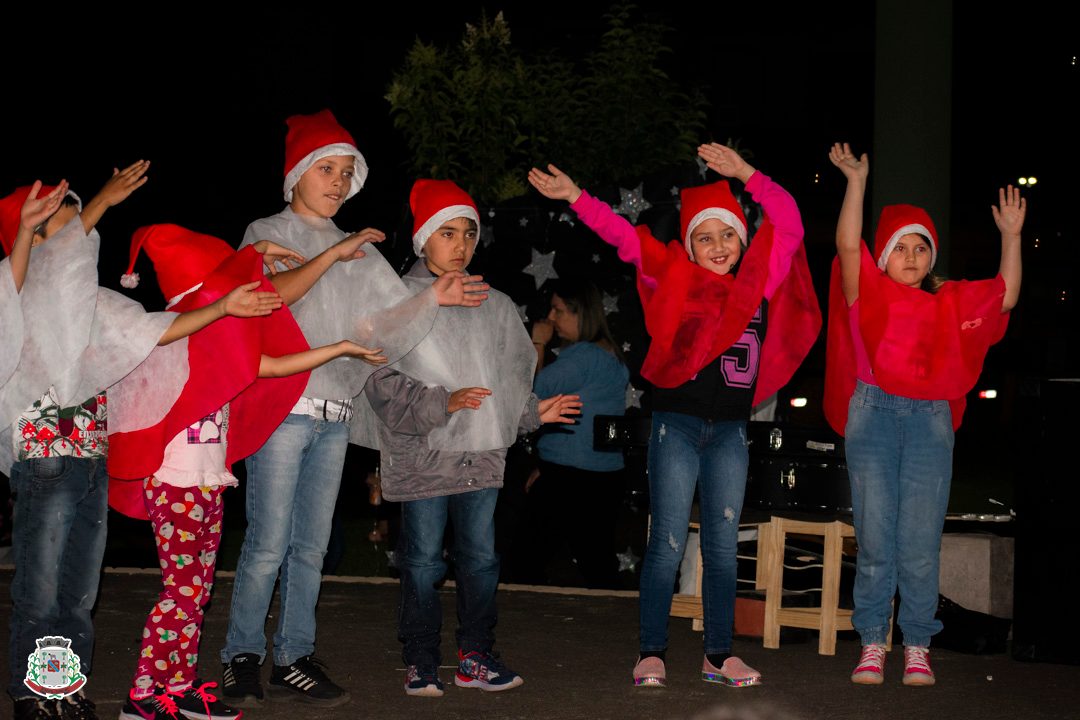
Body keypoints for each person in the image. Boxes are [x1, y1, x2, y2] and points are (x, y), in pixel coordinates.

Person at [219, 109, 488, 709]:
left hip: (333, 413)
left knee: (313, 544)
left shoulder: (361, 253)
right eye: (326, 169)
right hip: (282, 407)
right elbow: (261, 301)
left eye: (347, 172)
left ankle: (293, 656)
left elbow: (388, 323)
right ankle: (241, 656)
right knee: (267, 541)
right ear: (296, 176)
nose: (338, 182)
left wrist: (434, 294)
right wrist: (332, 256)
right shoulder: (267, 230)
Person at [528, 142, 820, 688]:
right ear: (688, 245)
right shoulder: (673, 273)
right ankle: (652, 652)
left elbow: (791, 223)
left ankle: (717, 656)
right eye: (704, 237)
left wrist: (749, 173)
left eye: (727, 234)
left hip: (731, 431)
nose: (717, 245)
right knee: (665, 540)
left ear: (741, 239)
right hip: (677, 426)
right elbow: (621, 235)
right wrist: (576, 196)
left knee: (722, 545)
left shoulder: (760, 279)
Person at [0, 166, 283, 720]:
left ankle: (65, 689)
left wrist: (222, 307)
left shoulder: (90, 304)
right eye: (61, 219)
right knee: (40, 588)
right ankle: (34, 694)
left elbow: (155, 329)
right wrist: (97, 203)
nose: (78, 230)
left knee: (80, 593)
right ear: (27, 236)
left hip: (90, 462)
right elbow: (21, 283)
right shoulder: (19, 294)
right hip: (44, 460)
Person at [103, 224, 386, 720]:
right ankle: (145, 696)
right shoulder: (167, 338)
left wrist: (339, 349)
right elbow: (212, 307)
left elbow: (273, 366)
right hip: (176, 486)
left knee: (195, 593)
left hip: (207, 486)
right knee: (182, 593)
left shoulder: (217, 348)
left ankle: (178, 688)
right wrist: (251, 256)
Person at [363, 178, 582, 698]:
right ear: (422, 239)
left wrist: (532, 411)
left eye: (468, 233)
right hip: (423, 458)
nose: (459, 245)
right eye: (446, 232)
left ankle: (476, 655)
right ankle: (420, 658)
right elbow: (377, 377)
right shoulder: (397, 302)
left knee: (481, 558)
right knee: (421, 560)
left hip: (480, 457)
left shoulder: (496, 305)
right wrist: (443, 401)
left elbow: (506, 379)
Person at [823, 143, 1023, 687]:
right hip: (873, 415)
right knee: (875, 538)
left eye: (921, 248)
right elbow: (846, 244)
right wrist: (856, 182)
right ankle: (871, 641)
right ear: (882, 257)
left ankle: (916, 643)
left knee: (918, 539)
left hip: (930, 419)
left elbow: (1003, 299)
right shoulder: (865, 293)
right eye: (900, 247)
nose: (911, 256)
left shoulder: (948, 304)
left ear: (932, 258)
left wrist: (1010, 235)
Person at [526, 279, 629, 589]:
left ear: (579, 313)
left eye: (558, 311)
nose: (552, 319)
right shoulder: (609, 354)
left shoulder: (583, 356)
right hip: (602, 474)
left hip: (572, 476)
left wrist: (538, 344)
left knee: (525, 559)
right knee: (597, 563)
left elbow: (531, 395)